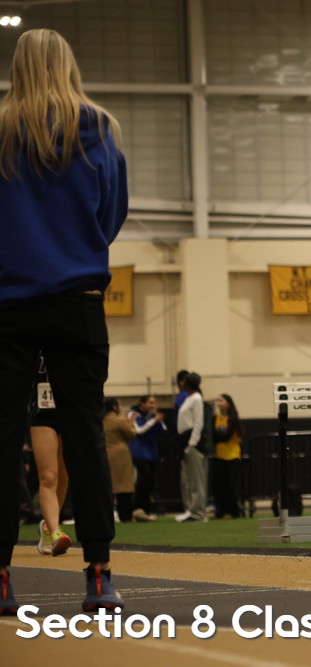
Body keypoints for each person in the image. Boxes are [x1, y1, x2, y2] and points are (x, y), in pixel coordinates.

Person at [0, 28, 128, 615]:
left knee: (4, 440)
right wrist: (74, 250)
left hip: (8, 301)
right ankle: (99, 574)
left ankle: (2, 576)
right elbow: (111, 213)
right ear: (68, 65)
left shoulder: (2, 131)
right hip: (77, 297)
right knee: (85, 438)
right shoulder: (97, 129)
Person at [31, 355, 72, 556]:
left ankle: (48, 526)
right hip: (42, 412)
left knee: (63, 475)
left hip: (69, 409)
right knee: (48, 476)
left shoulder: (70, 345)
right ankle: (55, 532)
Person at [174, 372, 208, 523]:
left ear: (189, 384)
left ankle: (199, 513)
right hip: (184, 440)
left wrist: (192, 443)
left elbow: (198, 423)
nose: (181, 384)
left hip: (192, 442)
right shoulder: (189, 398)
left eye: (184, 381)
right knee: (188, 479)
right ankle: (191, 510)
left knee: (196, 479)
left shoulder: (197, 398)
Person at [127, 395, 166, 521]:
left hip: (151, 453)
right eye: (150, 402)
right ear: (142, 404)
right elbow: (139, 431)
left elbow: (163, 430)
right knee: (144, 479)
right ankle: (137, 509)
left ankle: (145, 510)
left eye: (155, 403)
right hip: (139, 452)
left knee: (151, 482)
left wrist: (156, 419)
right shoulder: (133, 414)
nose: (153, 405)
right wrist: (153, 420)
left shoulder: (151, 416)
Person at [102, 399, 136, 523]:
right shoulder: (119, 420)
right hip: (121, 455)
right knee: (124, 486)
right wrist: (130, 422)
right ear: (115, 407)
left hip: (105, 454)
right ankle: (126, 516)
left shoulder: (100, 420)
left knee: (107, 486)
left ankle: (107, 516)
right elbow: (131, 435)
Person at [211, 393, 243, 519]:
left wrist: (217, 437)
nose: (218, 403)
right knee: (218, 485)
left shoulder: (233, 419)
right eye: (218, 400)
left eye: (221, 400)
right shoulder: (215, 418)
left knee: (230, 486)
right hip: (219, 456)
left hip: (232, 456)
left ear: (228, 404)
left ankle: (233, 512)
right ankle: (220, 511)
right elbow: (212, 436)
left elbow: (227, 436)